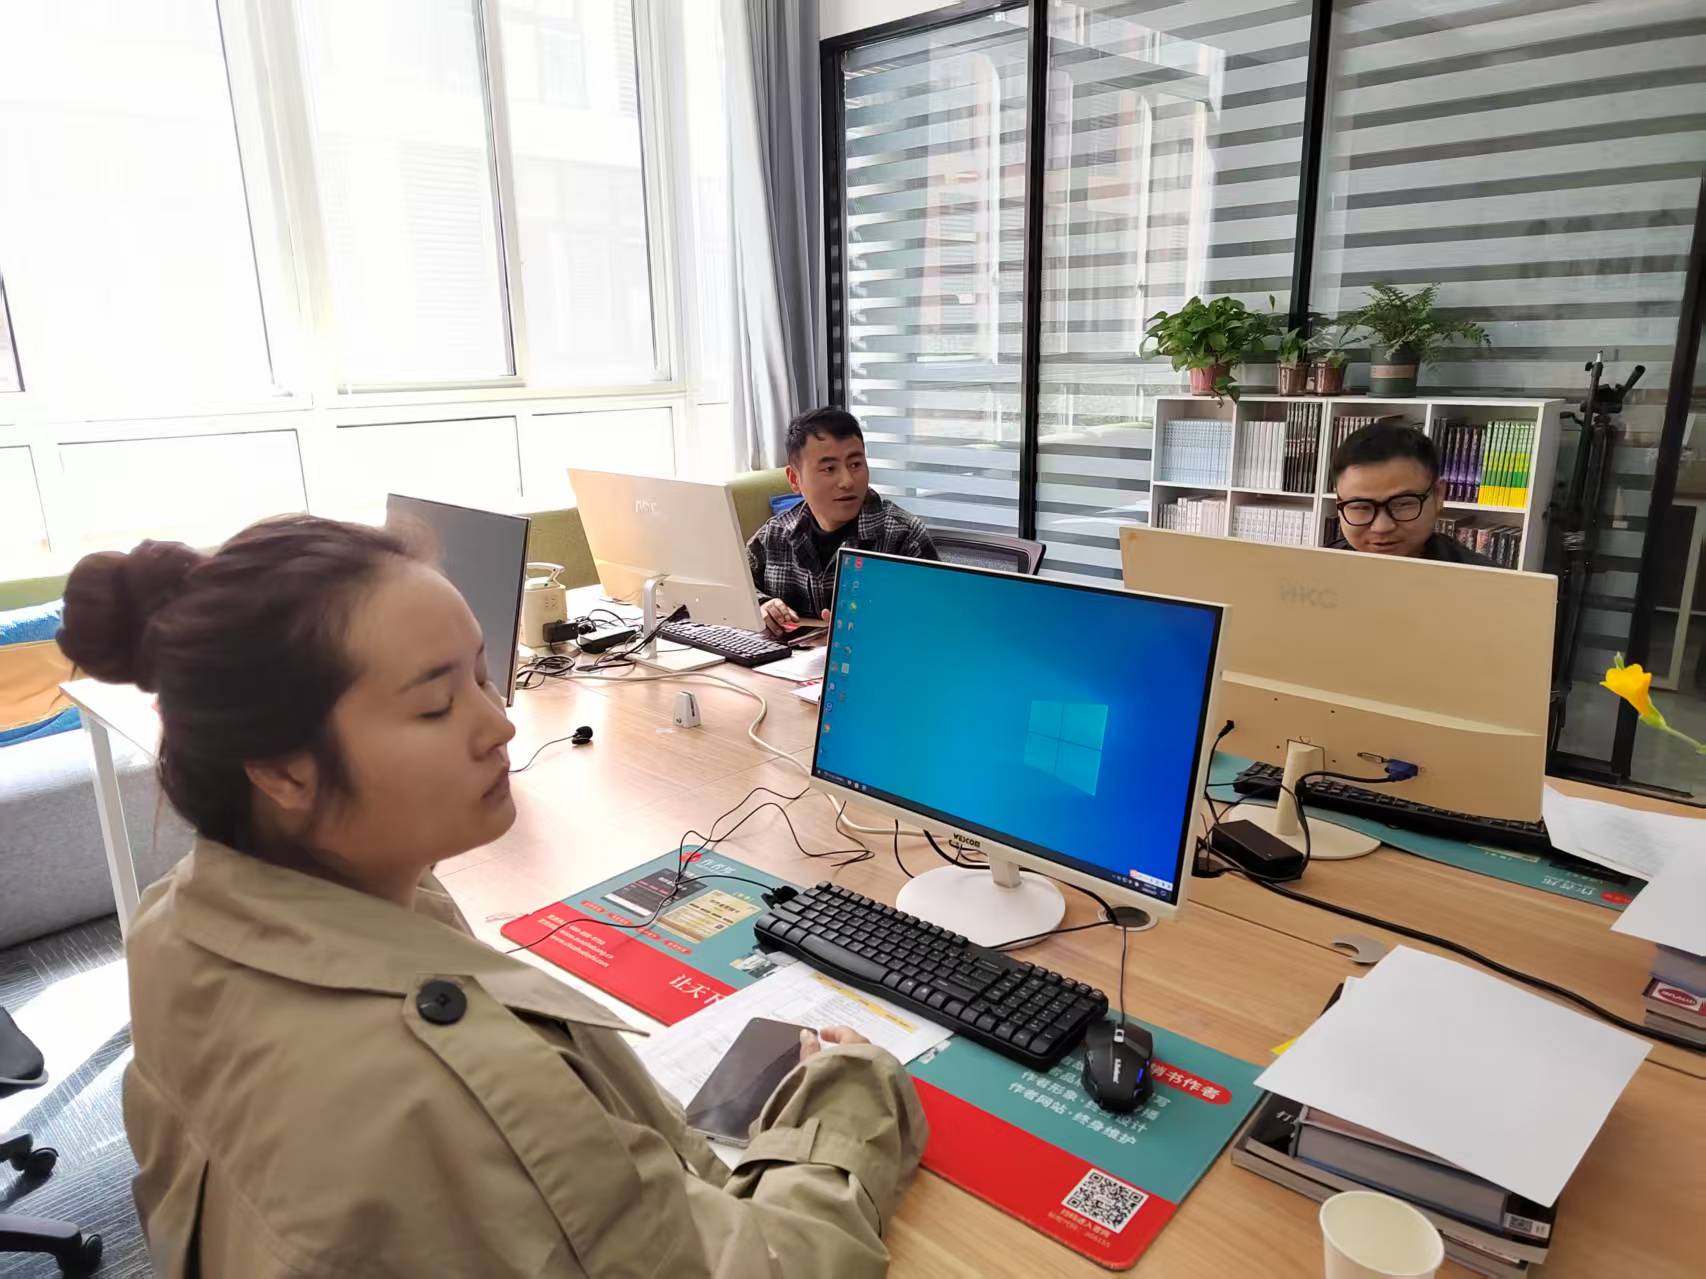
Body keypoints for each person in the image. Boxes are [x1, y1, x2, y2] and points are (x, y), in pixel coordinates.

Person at [57, 515, 926, 1278]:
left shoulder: (175, 921)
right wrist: (846, 1094)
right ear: (281, 769)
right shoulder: (447, 1091)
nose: (499, 722)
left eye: (483, 675)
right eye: (437, 705)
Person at [748, 408, 938, 636]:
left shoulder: (903, 537)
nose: (847, 481)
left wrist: (868, 632)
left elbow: (935, 622)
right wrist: (763, 605)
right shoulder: (775, 534)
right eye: (829, 469)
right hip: (784, 659)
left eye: (855, 464)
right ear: (794, 479)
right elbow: (734, 590)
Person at [1328, 422, 1495, 566]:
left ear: (1438, 495)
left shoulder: (1490, 584)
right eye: (1361, 507)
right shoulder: (1318, 569)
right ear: (1339, 503)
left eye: (1403, 503)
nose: (1382, 527)